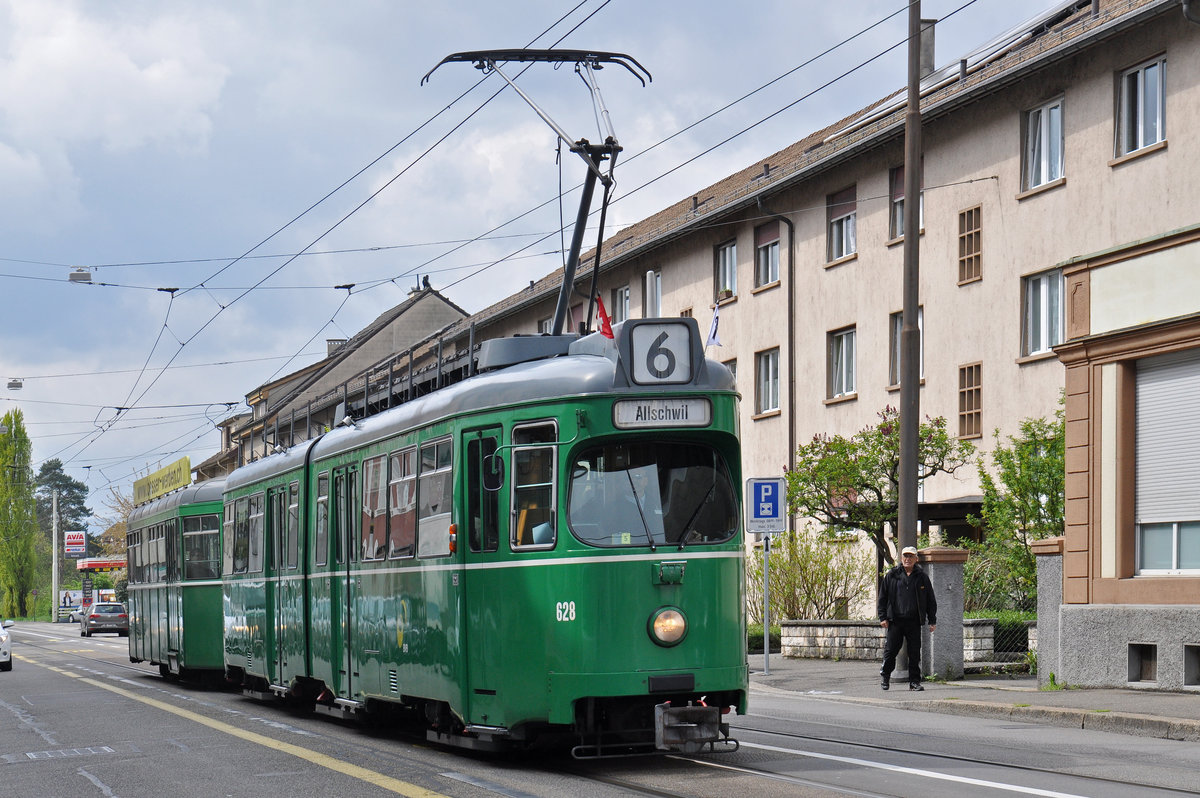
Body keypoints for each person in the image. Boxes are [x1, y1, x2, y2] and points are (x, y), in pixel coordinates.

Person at [877, 545, 937, 691]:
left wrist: (932, 619)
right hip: (895, 620)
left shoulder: (922, 577)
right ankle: (885, 677)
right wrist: (883, 617)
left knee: (914, 652)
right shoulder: (892, 575)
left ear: (916, 559)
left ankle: (914, 682)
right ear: (901, 558)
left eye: (911, 556)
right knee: (891, 650)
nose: (907, 559)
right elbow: (882, 597)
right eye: (905, 556)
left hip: (914, 620)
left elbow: (930, 599)